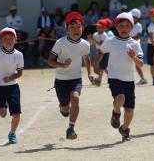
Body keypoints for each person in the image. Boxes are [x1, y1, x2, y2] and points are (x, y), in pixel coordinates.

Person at [95, 12, 144, 141]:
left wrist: (133, 57)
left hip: (129, 79)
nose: (124, 28)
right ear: (116, 27)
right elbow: (100, 51)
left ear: (132, 28)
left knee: (129, 110)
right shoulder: (110, 41)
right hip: (114, 77)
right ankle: (116, 113)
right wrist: (96, 64)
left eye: (127, 26)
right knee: (120, 97)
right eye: (121, 25)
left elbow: (141, 63)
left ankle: (125, 129)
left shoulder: (134, 44)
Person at [47, 11, 94, 140]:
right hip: (61, 80)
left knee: (75, 98)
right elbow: (50, 60)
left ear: (82, 28)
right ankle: (63, 108)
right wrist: (62, 65)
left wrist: (90, 72)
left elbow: (87, 58)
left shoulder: (85, 44)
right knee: (65, 108)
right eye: (72, 27)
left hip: (76, 79)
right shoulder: (60, 42)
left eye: (78, 26)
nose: (75, 30)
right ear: (67, 29)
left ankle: (71, 128)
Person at [129, 8, 147, 85]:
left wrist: (127, 39)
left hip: (135, 46)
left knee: (137, 64)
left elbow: (138, 36)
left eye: (132, 16)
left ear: (136, 17)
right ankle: (141, 78)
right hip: (129, 45)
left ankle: (142, 78)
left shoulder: (138, 25)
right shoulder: (129, 24)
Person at [88, 19, 109, 86]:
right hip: (99, 51)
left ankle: (111, 78)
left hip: (104, 52)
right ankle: (100, 79)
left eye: (99, 26)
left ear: (103, 28)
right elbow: (93, 43)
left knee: (103, 67)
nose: (97, 27)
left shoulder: (104, 35)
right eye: (97, 26)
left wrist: (92, 39)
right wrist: (90, 39)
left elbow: (100, 44)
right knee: (101, 66)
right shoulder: (95, 34)